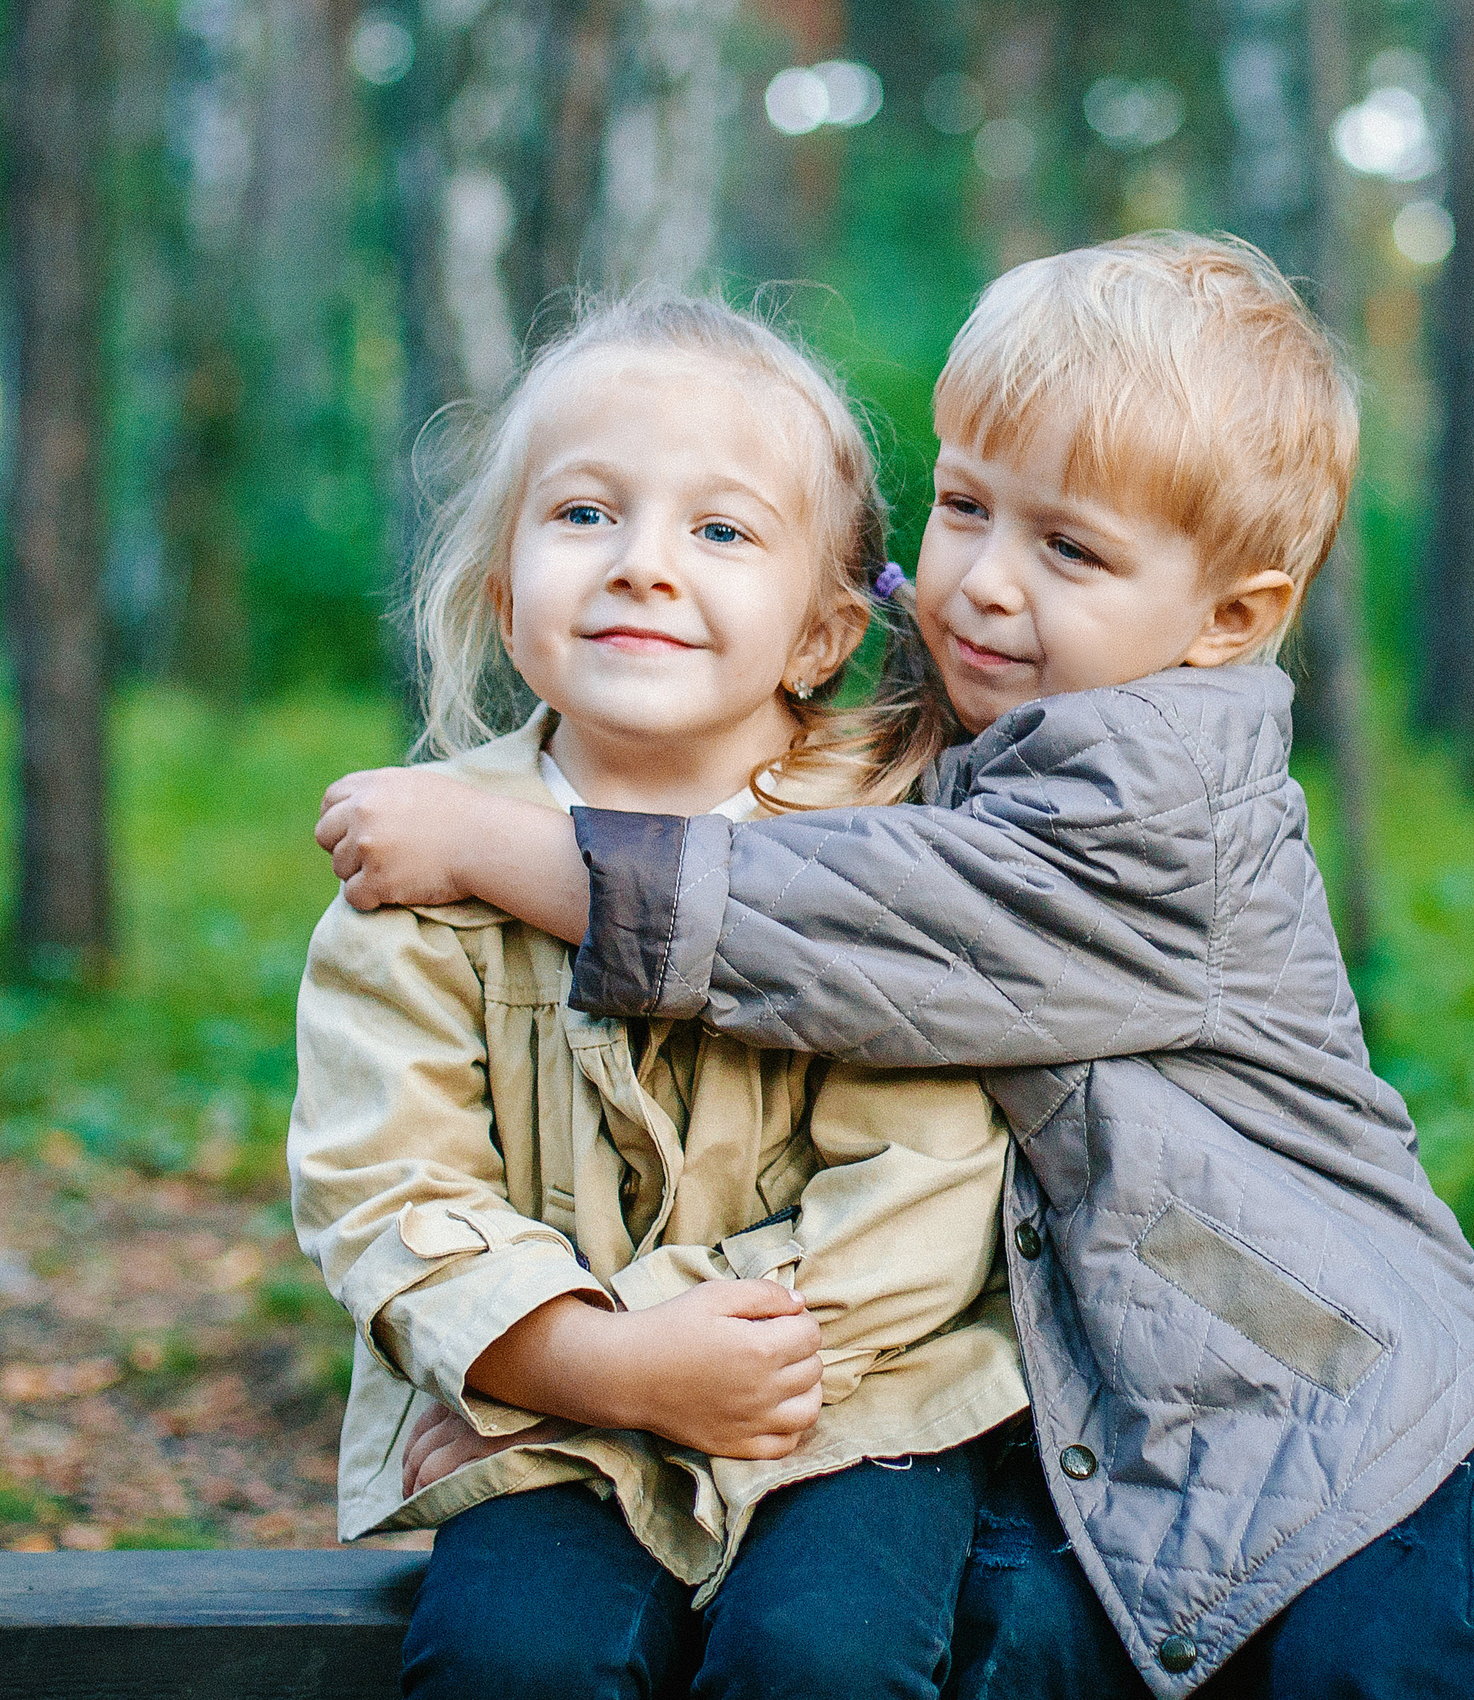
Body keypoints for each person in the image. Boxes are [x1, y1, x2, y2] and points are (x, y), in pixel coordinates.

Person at [320, 234, 1474, 1699]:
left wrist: (497, 847)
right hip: (1113, 1411)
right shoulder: (970, 712)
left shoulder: (1156, 809)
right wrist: (546, 1367)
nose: (980, 586)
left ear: (1231, 620)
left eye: (1068, 548)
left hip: (1342, 1403)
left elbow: (848, 920)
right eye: (964, 507)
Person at [289, 293, 1027, 1700]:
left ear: (819, 634)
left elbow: (926, 1195)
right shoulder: (418, 864)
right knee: (515, 1662)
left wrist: (668, 1355)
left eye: (722, 531)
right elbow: (383, 1192)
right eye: (583, 515)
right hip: (542, 1412)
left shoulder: (881, 851)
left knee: (828, 1659)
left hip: (851, 1406)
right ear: (506, 600)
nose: (642, 566)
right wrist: (600, 1367)